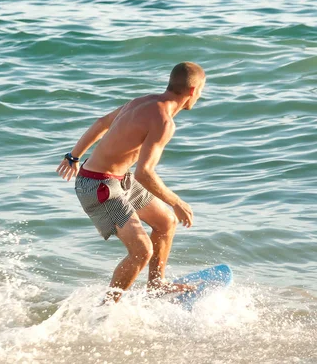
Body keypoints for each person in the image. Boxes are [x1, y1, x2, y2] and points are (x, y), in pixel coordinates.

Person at [56, 62, 206, 302]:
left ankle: (157, 284)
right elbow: (144, 174)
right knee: (142, 251)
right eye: (200, 91)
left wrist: (74, 156)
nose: (199, 96)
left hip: (117, 179)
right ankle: (106, 309)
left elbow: (101, 123)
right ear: (192, 91)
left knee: (166, 223)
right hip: (99, 186)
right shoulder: (164, 122)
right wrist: (176, 202)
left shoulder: (142, 101)